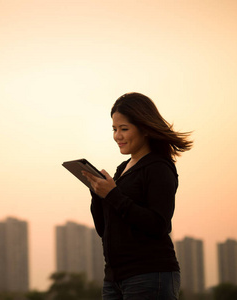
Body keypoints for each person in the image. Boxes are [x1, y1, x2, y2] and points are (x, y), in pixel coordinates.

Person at [82, 92, 192, 300]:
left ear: (145, 129)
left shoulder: (159, 167)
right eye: (114, 129)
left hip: (149, 275)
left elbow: (158, 224)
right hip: (115, 278)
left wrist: (113, 194)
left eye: (124, 129)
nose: (117, 136)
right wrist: (98, 193)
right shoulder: (123, 169)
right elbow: (104, 229)